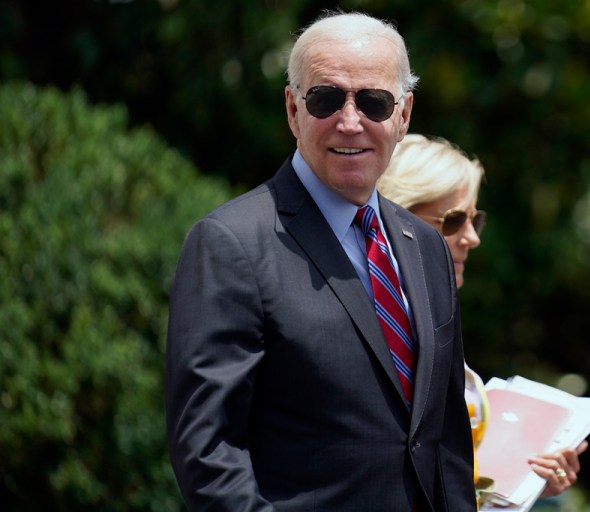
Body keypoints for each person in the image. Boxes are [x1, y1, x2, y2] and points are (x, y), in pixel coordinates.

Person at [164, 11, 476, 512]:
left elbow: (446, 446)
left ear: (404, 115)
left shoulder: (426, 246)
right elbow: (209, 453)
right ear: (292, 109)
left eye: (374, 102)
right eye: (326, 99)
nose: (350, 121)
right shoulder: (230, 244)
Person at [378, 134, 587, 509]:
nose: (471, 238)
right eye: (453, 221)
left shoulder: (435, 320)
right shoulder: (369, 324)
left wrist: (529, 479)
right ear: (398, 216)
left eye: (476, 219)